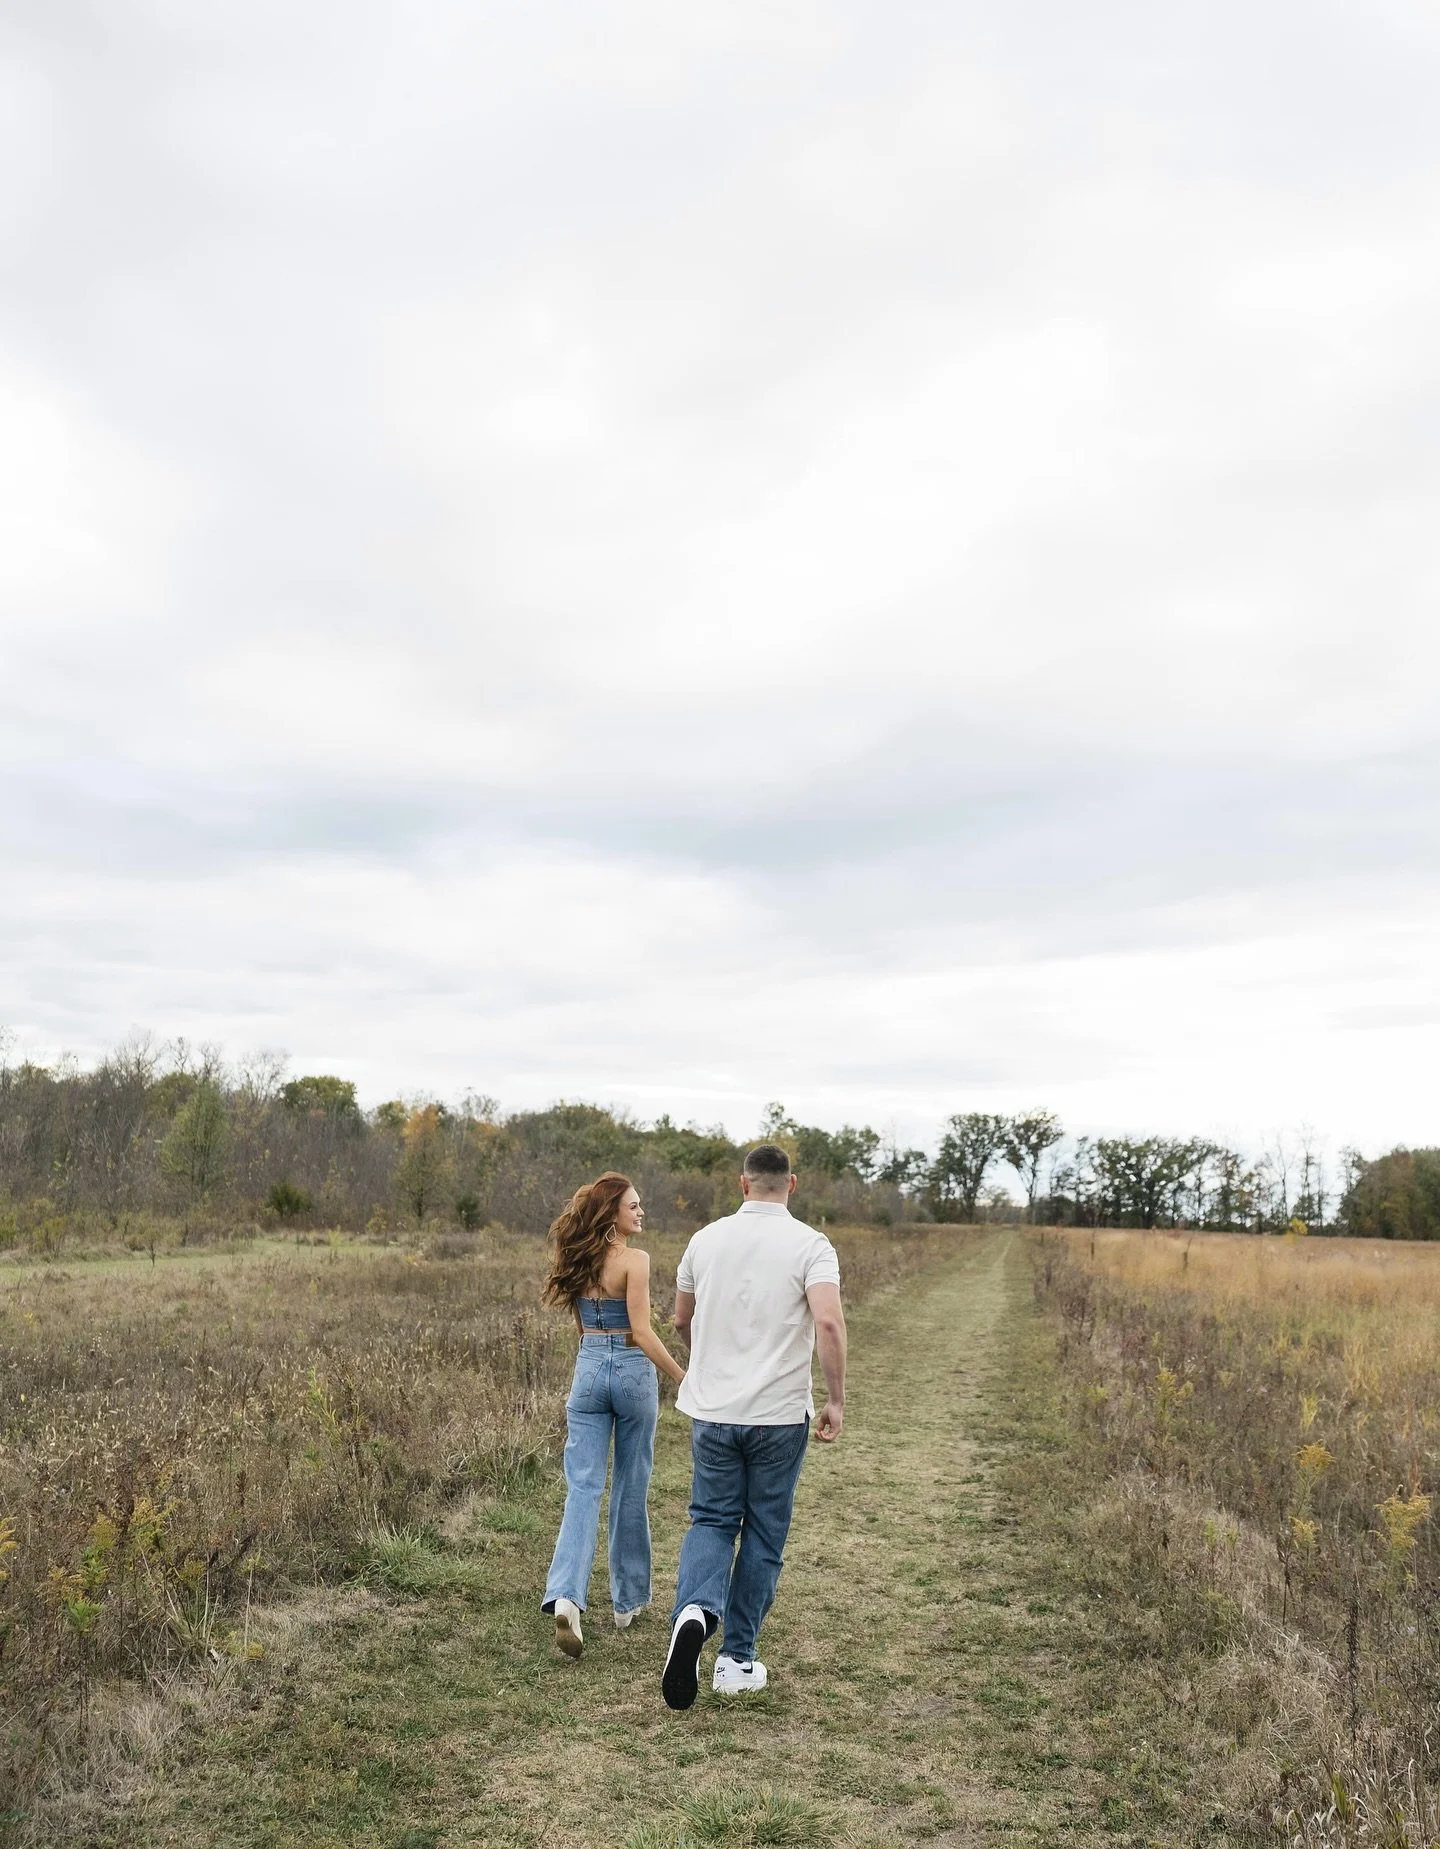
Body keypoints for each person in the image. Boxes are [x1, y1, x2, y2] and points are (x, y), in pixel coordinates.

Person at [660, 1143, 847, 1709]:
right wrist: (836, 1398)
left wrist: (708, 1367)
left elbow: (679, 1319)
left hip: (714, 1412)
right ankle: (736, 1659)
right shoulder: (811, 1245)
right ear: (792, 1185)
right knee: (764, 1533)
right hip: (779, 1416)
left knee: (712, 1521)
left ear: (743, 1185)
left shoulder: (704, 1240)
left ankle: (694, 1611)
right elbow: (830, 1324)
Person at [540, 1172, 686, 1659]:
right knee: (631, 1483)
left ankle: (567, 1596)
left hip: (587, 1371)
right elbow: (642, 1332)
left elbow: (585, 1328)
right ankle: (626, 1602)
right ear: (613, 1215)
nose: (641, 1212)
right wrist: (684, 1377)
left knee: (582, 1487)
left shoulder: (576, 1258)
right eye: (634, 1206)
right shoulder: (636, 1261)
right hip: (630, 1372)